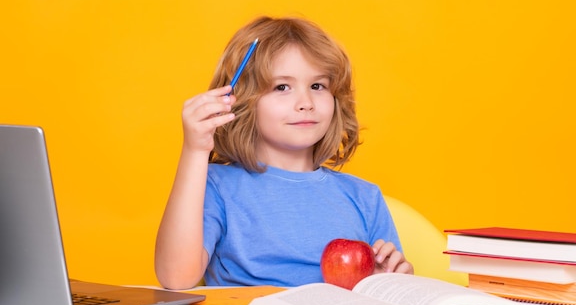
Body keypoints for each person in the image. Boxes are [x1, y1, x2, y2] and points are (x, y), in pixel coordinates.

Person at [155, 16, 413, 290]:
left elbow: (392, 298)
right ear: (238, 100)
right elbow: (176, 277)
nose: (306, 103)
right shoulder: (216, 186)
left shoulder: (365, 197)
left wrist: (392, 279)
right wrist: (195, 151)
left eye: (318, 86)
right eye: (282, 87)